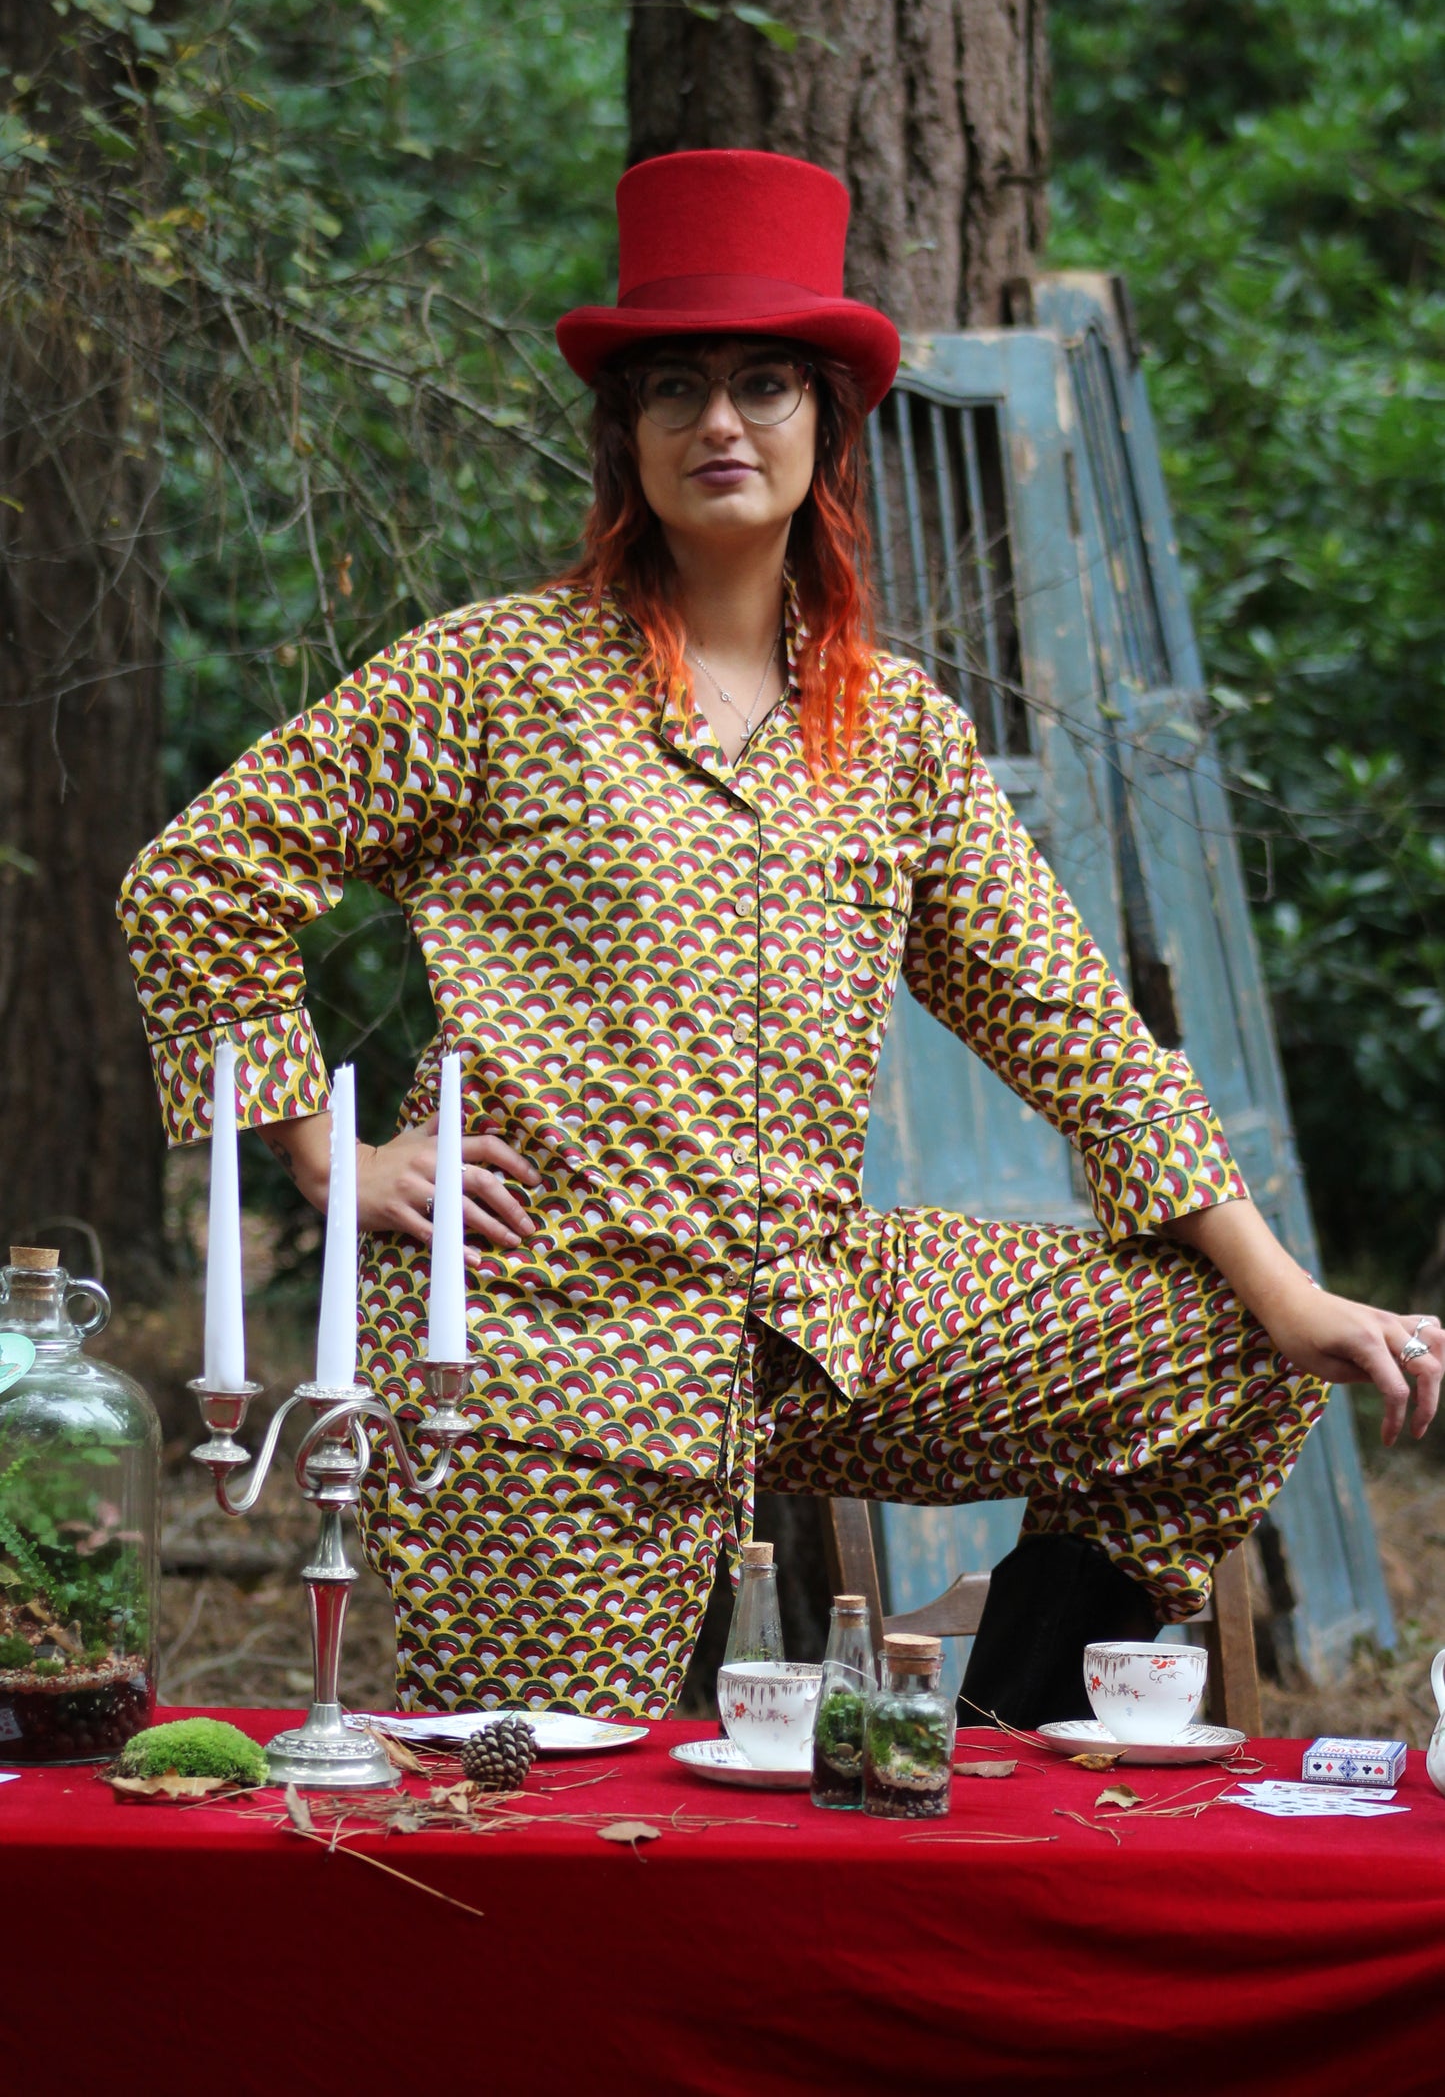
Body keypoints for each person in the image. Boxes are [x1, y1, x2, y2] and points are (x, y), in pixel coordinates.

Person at [119, 149, 1442, 1727]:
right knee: (548, 1809)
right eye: (673, 389)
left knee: (1217, 1357)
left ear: (825, 426)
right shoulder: (492, 680)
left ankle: (981, 1754)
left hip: (817, 1311)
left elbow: (1078, 1035)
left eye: (762, 384)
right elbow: (197, 880)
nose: (719, 424)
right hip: (547, 1352)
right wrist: (325, 1152)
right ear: (627, 436)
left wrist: (1290, 1295)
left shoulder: (896, 735)